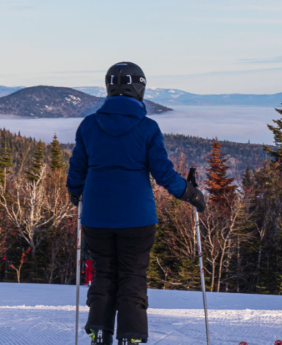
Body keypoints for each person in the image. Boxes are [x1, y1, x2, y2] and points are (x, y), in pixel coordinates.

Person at [67, 62, 205, 345]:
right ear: (139, 88)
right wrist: (190, 194)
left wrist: (75, 193)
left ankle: (99, 330)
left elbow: (77, 169)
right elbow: (163, 172)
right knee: (132, 275)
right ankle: (131, 337)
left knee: (104, 272)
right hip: (137, 219)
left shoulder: (89, 125)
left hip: (96, 217)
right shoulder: (147, 127)